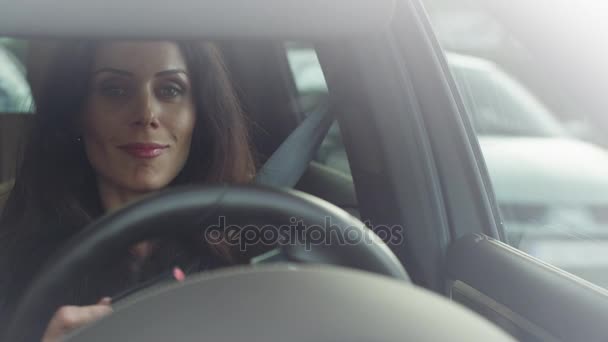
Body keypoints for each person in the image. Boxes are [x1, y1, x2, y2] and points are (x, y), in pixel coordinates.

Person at [0, 40, 256, 341]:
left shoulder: (255, 242)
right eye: (115, 90)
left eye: (170, 90)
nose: (146, 113)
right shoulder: (14, 253)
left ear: (199, 113)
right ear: (76, 113)